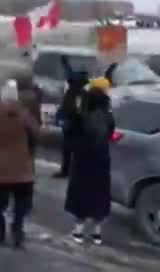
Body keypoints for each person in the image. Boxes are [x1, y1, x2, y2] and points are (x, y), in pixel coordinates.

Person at [0, 80, 43, 248]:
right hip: (21, 166)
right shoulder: (22, 113)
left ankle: (0, 231)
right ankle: (17, 231)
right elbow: (37, 133)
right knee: (21, 202)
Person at [65, 77, 115, 245]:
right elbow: (109, 134)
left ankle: (78, 231)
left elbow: (69, 130)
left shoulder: (82, 111)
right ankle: (97, 233)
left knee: (81, 192)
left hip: (82, 159)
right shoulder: (108, 114)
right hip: (101, 160)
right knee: (99, 194)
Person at [54, 56, 89, 178]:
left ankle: (68, 171)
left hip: (73, 124)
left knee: (69, 150)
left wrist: (65, 63)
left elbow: (74, 110)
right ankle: (71, 171)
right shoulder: (81, 91)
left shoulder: (75, 92)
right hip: (75, 125)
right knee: (73, 150)